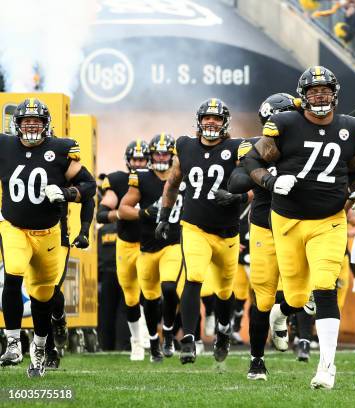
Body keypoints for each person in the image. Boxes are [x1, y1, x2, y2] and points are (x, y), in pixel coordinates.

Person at [242, 65, 355, 389]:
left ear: (334, 95)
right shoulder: (285, 124)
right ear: (303, 96)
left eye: (325, 92)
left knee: (325, 286)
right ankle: (280, 313)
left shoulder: (352, 128)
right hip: (286, 221)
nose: (320, 97)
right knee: (298, 296)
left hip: (329, 221)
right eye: (314, 92)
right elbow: (252, 162)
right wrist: (272, 181)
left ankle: (327, 367)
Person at [0, 98, 96, 377]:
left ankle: (40, 348)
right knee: (14, 271)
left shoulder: (60, 149)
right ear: (16, 125)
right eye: (26, 121)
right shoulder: (5, 146)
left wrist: (67, 194)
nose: (31, 125)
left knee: (43, 296)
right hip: (14, 226)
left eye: (37, 121)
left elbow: (88, 186)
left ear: (47, 125)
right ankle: (14, 342)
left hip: (50, 233)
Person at [157, 99, 247, 364]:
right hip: (194, 226)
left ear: (225, 123)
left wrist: (236, 198)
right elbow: (172, 183)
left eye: (216, 119)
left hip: (228, 232)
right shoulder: (185, 146)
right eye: (207, 117)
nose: (211, 122)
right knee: (193, 277)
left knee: (224, 290)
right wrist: (164, 214)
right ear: (198, 121)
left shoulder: (236, 148)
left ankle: (222, 331)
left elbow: (253, 187)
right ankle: (189, 339)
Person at [119, 134, 184, 362]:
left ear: (172, 155)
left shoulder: (183, 175)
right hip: (147, 248)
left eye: (165, 153)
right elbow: (122, 209)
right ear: (151, 155)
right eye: (157, 153)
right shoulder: (142, 178)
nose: (161, 157)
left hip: (173, 244)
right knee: (150, 299)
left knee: (169, 288)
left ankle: (167, 333)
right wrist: (142, 213)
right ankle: (154, 342)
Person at [97, 140, 149, 360]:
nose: (138, 163)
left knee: (155, 292)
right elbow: (102, 213)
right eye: (135, 159)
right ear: (128, 160)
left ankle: (152, 339)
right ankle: (135, 341)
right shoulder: (118, 180)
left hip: (152, 244)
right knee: (130, 295)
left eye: (141, 159)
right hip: (127, 243)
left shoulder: (157, 179)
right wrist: (120, 213)